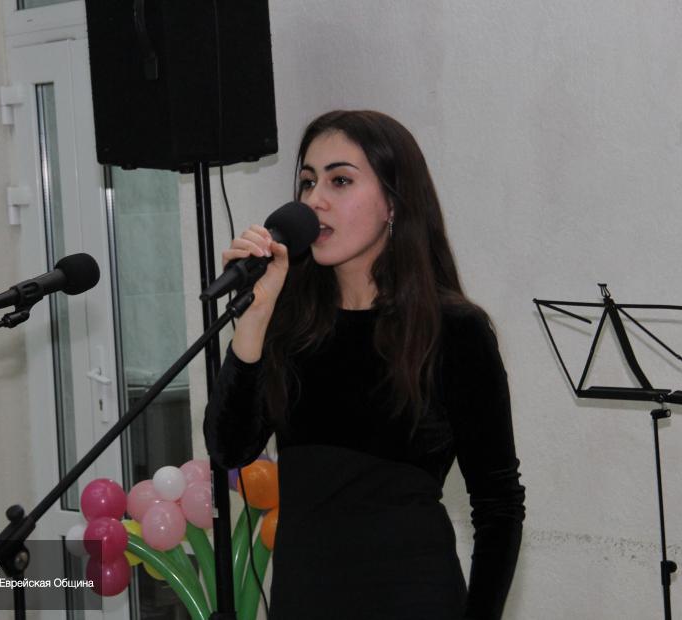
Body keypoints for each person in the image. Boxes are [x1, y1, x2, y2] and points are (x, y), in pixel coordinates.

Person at [203, 110, 525, 620]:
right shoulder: (290, 325)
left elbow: (498, 505)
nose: (315, 200)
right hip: (303, 603)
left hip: (414, 601)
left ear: (394, 202)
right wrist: (256, 316)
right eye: (308, 182)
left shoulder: (455, 331)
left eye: (340, 180)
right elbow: (229, 448)